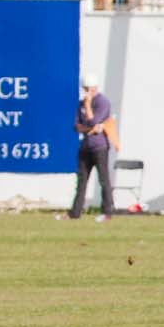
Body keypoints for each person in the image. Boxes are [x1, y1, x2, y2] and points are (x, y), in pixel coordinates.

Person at [70, 72, 118, 221]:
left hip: (100, 147)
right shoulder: (81, 103)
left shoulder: (102, 102)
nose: (85, 92)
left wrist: (88, 107)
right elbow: (77, 126)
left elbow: (94, 121)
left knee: (103, 179)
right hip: (85, 146)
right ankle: (75, 212)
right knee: (82, 181)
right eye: (84, 88)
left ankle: (107, 212)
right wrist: (89, 129)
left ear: (94, 88)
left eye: (87, 88)